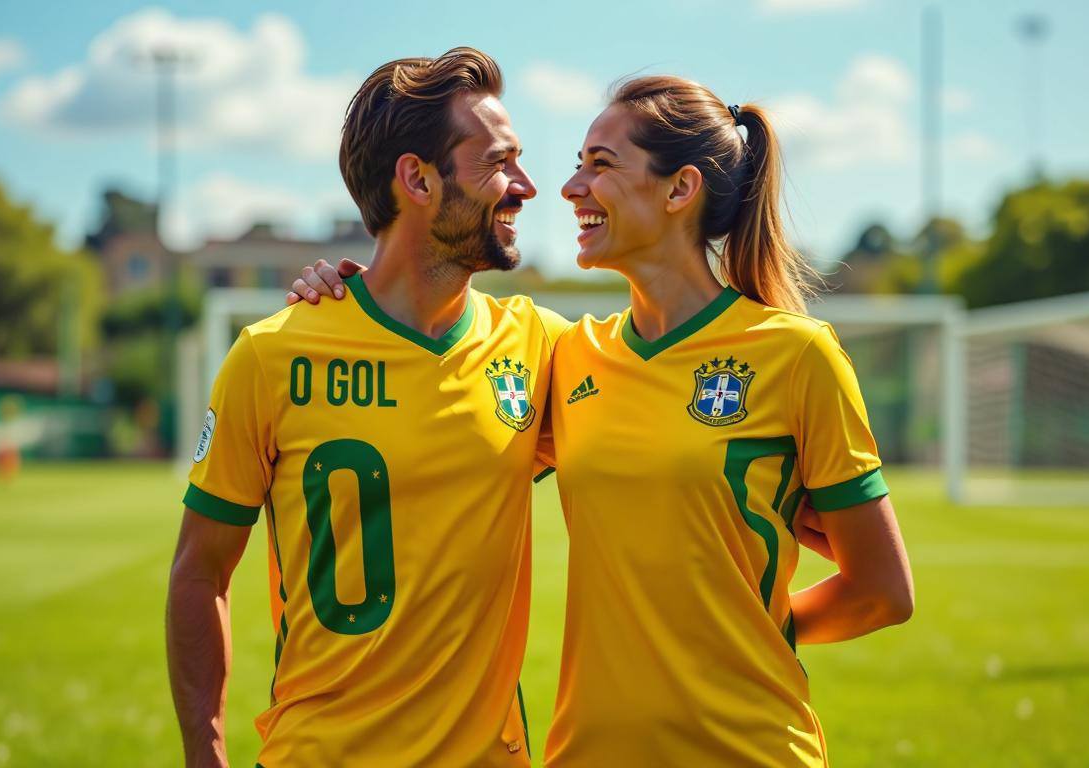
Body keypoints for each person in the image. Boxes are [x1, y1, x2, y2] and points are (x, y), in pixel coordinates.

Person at [290, 76, 913, 767]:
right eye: (579, 162)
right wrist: (347, 296)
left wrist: (753, 629)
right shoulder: (566, 358)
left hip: (750, 750)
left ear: (680, 190)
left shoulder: (796, 354)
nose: (569, 186)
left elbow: (882, 591)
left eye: (601, 164)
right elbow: (439, 400)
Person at [167, 47, 568, 767]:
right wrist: (207, 753)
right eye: (499, 162)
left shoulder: (543, 351)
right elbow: (200, 573)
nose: (527, 187)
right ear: (416, 177)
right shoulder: (273, 354)